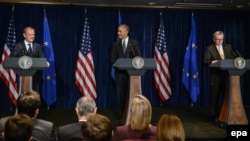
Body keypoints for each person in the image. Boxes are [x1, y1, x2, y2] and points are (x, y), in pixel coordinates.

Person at [110, 24, 141, 114]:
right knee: (121, 97)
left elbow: (138, 58)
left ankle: (132, 115)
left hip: (131, 75)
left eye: (120, 31)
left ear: (126, 32)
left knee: (131, 96)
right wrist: (120, 65)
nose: (118, 33)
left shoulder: (134, 43)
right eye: (118, 31)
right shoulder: (115, 45)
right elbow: (112, 60)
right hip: (119, 75)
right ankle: (123, 117)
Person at [203, 31, 235, 117]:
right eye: (217, 39)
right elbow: (205, 61)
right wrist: (213, 61)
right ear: (213, 39)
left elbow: (232, 58)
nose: (220, 41)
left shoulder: (228, 47)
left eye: (221, 39)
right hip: (216, 77)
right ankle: (215, 116)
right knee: (215, 98)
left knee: (226, 97)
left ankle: (225, 115)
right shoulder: (209, 49)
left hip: (227, 76)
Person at [10, 26, 45, 93]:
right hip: (22, 78)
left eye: (33, 34)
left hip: (35, 78)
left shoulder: (37, 46)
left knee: (34, 98)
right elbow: (12, 59)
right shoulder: (18, 46)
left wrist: (45, 62)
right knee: (23, 98)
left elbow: (42, 59)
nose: (32, 36)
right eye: (30, 34)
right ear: (24, 35)